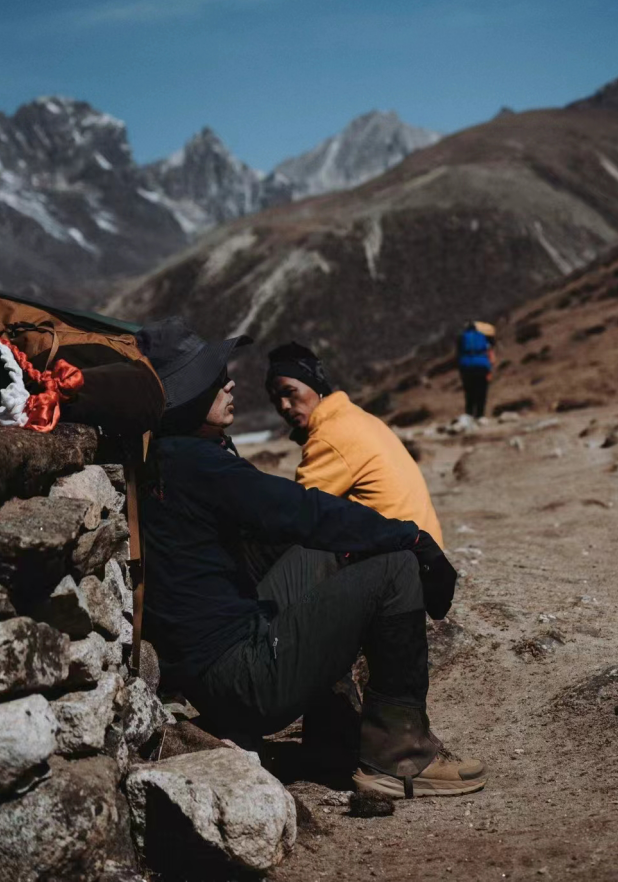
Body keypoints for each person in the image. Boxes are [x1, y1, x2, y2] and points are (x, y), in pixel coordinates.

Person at [136, 317, 486, 799]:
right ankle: (400, 756)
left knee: (318, 554)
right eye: (215, 379)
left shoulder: (169, 455)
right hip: (240, 677)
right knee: (395, 568)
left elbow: (298, 524)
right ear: (188, 396)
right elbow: (299, 509)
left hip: (218, 659)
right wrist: (413, 539)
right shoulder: (197, 465)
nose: (230, 382)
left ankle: (332, 737)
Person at [266, 342, 443, 547]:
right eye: (275, 400)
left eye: (289, 392)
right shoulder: (356, 417)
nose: (283, 406)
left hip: (405, 560)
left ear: (315, 385)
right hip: (426, 551)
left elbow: (298, 515)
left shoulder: (330, 435)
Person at [456, 321, 493, 419]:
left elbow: (459, 353)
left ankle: (469, 414)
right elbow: (489, 351)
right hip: (482, 365)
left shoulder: (462, 337)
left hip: (467, 366)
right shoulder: (483, 337)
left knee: (469, 392)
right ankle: (480, 415)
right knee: (481, 391)